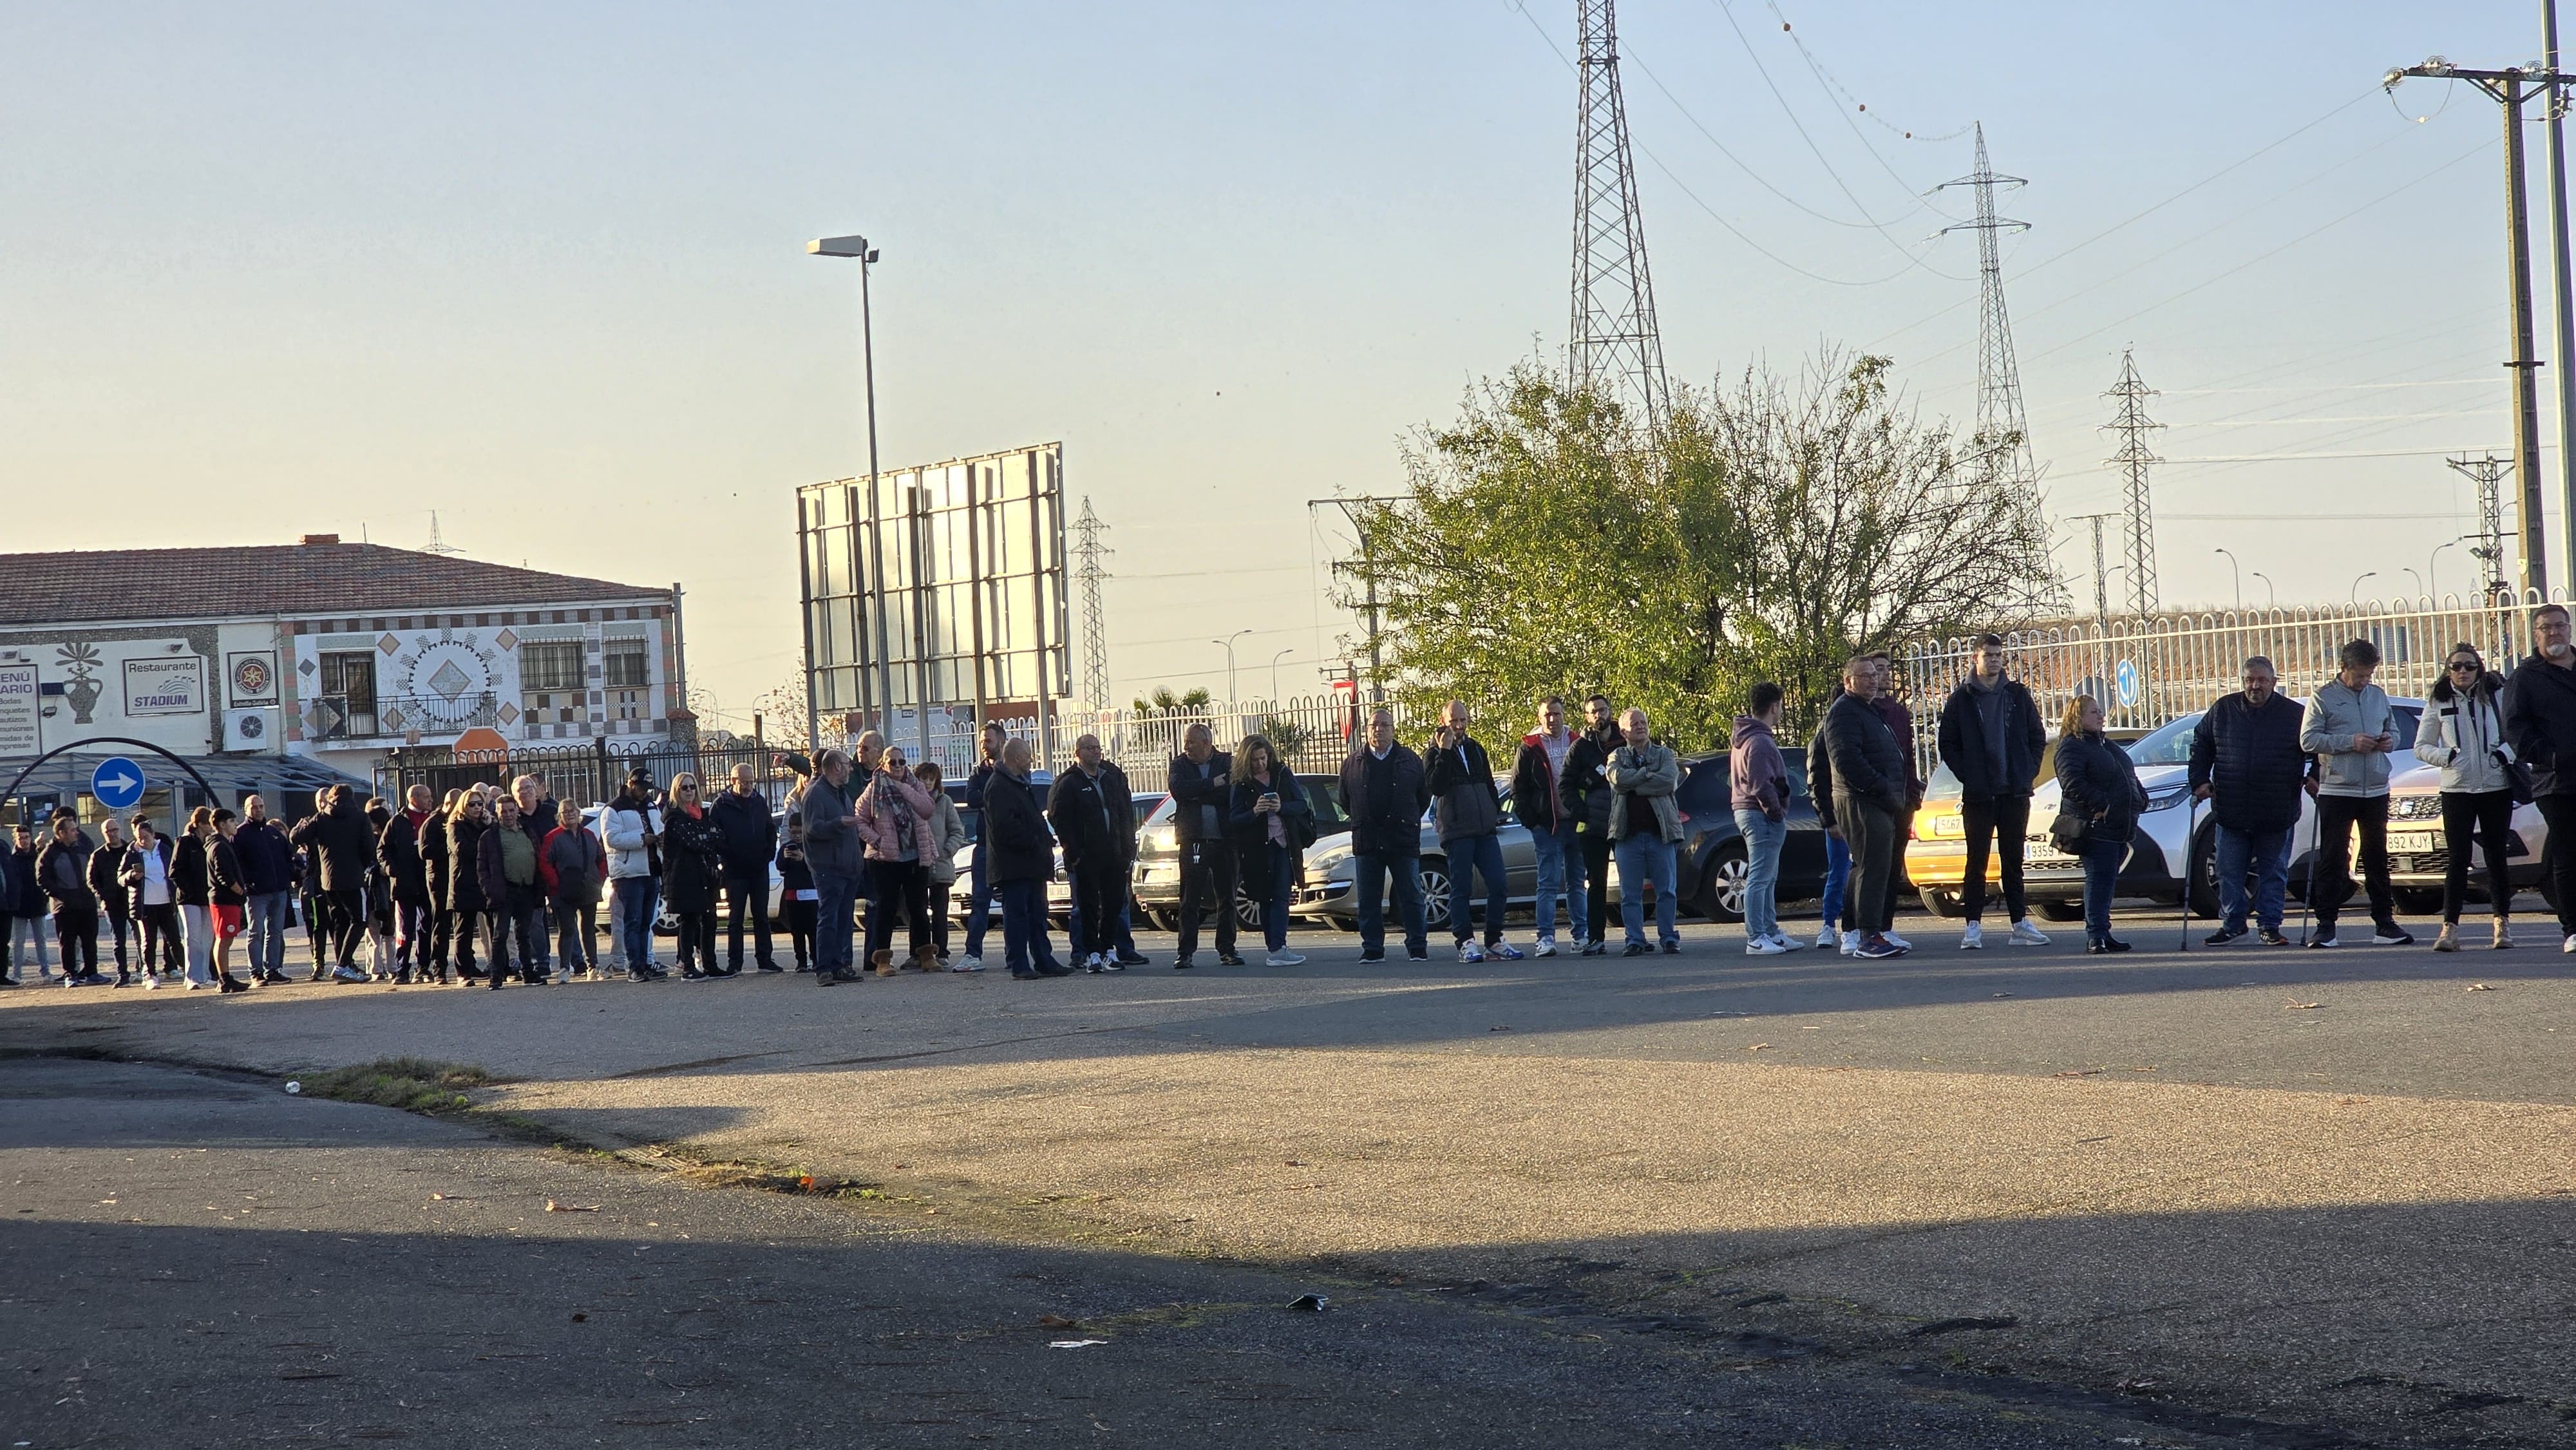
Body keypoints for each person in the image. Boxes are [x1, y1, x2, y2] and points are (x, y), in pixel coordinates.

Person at [1936, 634, 2050, 949]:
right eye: (1989, 655)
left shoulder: (2016, 695)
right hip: (1979, 795)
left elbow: (2036, 736)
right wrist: (1969, 775)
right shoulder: (1963, 699)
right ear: (1976, 658)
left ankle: (2019, 924)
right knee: (1977, 861)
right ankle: (1973, 926)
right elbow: (1947, 742)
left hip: (2014, 792)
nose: (1995, 660)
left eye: (1999, 655)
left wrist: (2027, 771)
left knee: (2013, 861)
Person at [2188, 656, 2308, 948]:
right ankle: (2233, 925)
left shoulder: (2294, 714)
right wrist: (2200, 780)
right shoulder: (2223, 710)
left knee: (2273, 872)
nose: (2255, 686)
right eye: (2249, 680)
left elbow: (2315, 749)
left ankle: (2269, 925)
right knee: (2228, 870)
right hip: (2232, 807)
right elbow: (2201, 744)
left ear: (2274, 682)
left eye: (2262, 680)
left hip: (2277, 808)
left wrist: (2314, 776)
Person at [2300, 637, 2412, 948]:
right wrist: (2350, 742)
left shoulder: (2377, 696)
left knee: (2377, 856)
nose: (2365, 681)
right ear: (2343, 668)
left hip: (2376, 787)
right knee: (2334, 857)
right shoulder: (2323, 697)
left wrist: (2389, 739)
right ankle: (2326, 925)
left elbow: (2394, 728)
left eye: (2369, 675)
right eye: (2359, 675)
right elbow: (2309, 740)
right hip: (2338, 789)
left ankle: (2385, 923)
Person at [2414, 644, 2518, 952]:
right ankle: (2450, 928)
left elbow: (2516, 733)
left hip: (2495, 786)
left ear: (2479, 668)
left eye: (2469, 666)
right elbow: (2422, 745)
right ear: (2448, 670)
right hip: (2457, 788)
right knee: (2457, 858)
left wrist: (2503, 755)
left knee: (2496, 855)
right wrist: (2447, 757)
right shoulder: (2439, 699)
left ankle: (2502, 923)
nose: (2463, 672)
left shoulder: (2496, 695)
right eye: (2456, 666)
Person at [1815, 657, 1910, 960]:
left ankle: (1874, 932)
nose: (1873, 680)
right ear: (1848, 681)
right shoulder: (1843, 712)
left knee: (1878, 867)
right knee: (1871, 867)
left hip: (1878, 801)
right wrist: (1882, 786)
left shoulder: (1867, 711)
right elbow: (1847, 761)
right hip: (1861, 801)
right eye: (1864, 676)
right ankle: (1868, 936)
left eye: (1874, 675)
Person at [2503, 602, 2576, 953]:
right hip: (2557, 782)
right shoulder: (2526, 677)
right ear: (2536, 634)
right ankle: (2572, 929)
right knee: (2567, 854)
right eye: (2546, 628)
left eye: (2559, 626)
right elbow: (2515, 730)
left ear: (2569, 628)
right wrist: (2549, 755)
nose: (2554, 633)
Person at [1425, 701, 1520, 963]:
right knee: (1461, 888)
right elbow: (1437, 787)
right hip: (1457, 831)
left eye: (1463, 720)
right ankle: (1465, 942)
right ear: (1443, 720)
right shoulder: (1433, 753)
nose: (1458, 726)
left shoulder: (1476, 749)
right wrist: (1444, 752)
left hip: (1484, 829)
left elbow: (1490, 785)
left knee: (1499, 884)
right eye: (1453, 721)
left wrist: (1493, 812)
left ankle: (1494, 940)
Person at [2056, 694, 2148, 954]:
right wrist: (2101, 805)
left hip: (2119, 824)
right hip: (2096, 826)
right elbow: (2072, 783)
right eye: (2094, 712)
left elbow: (2126, 773)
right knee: (2098, 878)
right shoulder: (2072, 746)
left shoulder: (2105, 745)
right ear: (2078, 717)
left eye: (2100, 711)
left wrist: (2140, 796)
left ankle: (2103, 932)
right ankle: (2095, 934)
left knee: (2107, 879)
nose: (2101, 716)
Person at [1340, 708, 1430, 964]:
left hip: (1402, 838)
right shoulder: (1352, 763)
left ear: (1393, 730)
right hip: (1367, 839)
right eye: (1373, 725)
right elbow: (1346, 800)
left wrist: (1406, 819)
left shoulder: (1410, 761)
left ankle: (1417, 946)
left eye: (1384, 725)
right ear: (1366, 730)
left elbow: (1422, 799)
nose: (1378, 729)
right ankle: (1372, 948)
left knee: (1411, 894)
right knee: (1368, 898)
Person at [1048, 734, 1135, 974]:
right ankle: (1091, 953)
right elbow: (1059, 817)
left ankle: (1109, 950)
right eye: (1089, 748)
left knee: (1114, 903)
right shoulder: (1069, 782)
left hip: (1114, 855)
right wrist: (1074, 852)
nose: (1096, 752)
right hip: (1087, 857)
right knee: (1087, 906)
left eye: (1098, 748)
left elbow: (1126, 812)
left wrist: (1128, 849)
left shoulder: (1112, 777)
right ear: (1078, 753)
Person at [987, 738, 1070, 979]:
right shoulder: (999, 786)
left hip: (1032, 864)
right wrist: (1034, 842)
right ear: (1015, 758)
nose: (1031, 760)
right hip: (1015, 866)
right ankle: (1019, 963)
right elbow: (1005, 828)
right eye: (1028, 756)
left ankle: (1044, 959)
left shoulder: (1020, 784)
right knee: (1017, 916)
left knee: (1038, 914)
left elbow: (1032, 818)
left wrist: (1045, 839)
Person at [1228, 731, 1314, 967]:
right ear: (1247, 760)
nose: (1260, 764)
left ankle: (1279, 947)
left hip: (1283, 846)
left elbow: (1301, 805)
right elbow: (1234, 819)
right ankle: (1275, 948)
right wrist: (1255, 811)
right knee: (1264, 898)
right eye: (1255, 760)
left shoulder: (1282, 774)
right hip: (1257, 849)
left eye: (1263, 758)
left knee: (1281, 896)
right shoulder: (1241, 784)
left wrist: (1281, 806)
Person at [1604, 708, 1684, 956]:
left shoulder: (1664, 754)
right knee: (1630, 894)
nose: (1641, 727)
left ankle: (1669, 938)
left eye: (1644, 722)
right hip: (1628, 836)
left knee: (1667, 890)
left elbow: (1668, 781)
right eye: (1634, 724)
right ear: (1624, 731)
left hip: (1661, 834)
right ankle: (1635, 940)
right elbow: (1617, 779)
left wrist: (1635, 785)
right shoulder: (1616, 756)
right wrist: (1648, 775)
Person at [1730, 682, 1803, 956]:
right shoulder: (1760, 741)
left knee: (1767, 876)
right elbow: (1761, 784)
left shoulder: (1746, 737)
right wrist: (1776, 811)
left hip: (1748, 810)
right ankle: (1757, 935)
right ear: (1774, 706)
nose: (1782, 711)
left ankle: (1770, 931)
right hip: (1759, 813)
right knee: (1760, 877)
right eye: (1781, 706)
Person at [1511, 695, 1586, 957]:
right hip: (1548, 826)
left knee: (1577, 882)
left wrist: (1585, 814)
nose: (1552, 719)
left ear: (1564, 715)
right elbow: (1518, 788)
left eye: (1556, 714)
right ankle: (1545, 937)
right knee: (1548, 883)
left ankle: (1581, 936)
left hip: (1576, 824)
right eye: (1547, 715)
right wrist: (1532, 822)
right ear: (1539, 717)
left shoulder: (1577, 742)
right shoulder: (1529, 747)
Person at [857, 747, 938, 975]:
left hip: (915, 855)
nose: (899, 766)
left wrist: (902, 787)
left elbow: (927, 809)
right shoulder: (873, 790)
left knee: (919, 908)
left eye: (902, 761)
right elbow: (860, 820)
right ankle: (882, 959)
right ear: (883, 764)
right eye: (893, 762)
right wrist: (877, 841)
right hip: (885, 859)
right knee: (886, 909)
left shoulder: (915, 785)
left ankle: (925, 955)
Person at [1168, 723, 1242, 969]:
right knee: (1190, 898)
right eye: (1186, 741)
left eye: (1192, 742)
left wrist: (1199, 794)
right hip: (1193, 841)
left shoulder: (1226, 762)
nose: (1186, 746)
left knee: (1227, 897)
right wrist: (1212, 784)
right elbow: (1179, 790)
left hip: (1224, 840)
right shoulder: (1180, 765)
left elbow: (1231, 792)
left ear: (1207, 743)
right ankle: (1185, 952)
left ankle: (1227, 949)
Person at [1866, 652, 1924, 952]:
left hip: (1902, 799)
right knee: (1871, 867)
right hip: (1876, 800)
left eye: (1888, 669)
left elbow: (1908, 756)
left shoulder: (1899, 712)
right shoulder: (1863, 711)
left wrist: (1912, 794)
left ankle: (1886, 926)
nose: (1885, 675)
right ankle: (1864, 929)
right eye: (1879, 670)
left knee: (1892, 868)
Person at [1558, 695, 1622, 958]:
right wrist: (1581, 812)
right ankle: (1596, 938)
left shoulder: (1625, 739)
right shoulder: (1580, 748)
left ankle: (1636, 937)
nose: (1599, 715)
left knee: (1631, 884)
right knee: (1597, 884)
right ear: (1586, 717)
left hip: (1624, 822)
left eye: (1602, 710)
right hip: (1593, 827)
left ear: (1610, 711)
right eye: (1593, 712)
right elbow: (1565, 786)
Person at [795, 749, 866, 986]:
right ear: (836, 767)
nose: (851, 768)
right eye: (847, 764)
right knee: (829, 918)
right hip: (829, 868)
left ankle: (840, 966)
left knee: (845, 919)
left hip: (848, 867)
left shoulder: (841, 793)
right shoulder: (816, 793)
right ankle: (824, 968)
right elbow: (812, 830)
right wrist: (838, 823)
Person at [291, 785, 374, 983]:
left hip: (328, 880)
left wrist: (304, 825)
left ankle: (343, 964)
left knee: (340, 921)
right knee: (359, 920)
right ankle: (343, 964)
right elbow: (369, 849)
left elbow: (296, 837)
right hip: (353, 877)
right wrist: (361, 866)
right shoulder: (360, 817)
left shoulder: (321, 817)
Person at [712, 763, 781, 973]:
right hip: (735, 870)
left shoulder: (759, 802)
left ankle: (765, 959)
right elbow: (716, 837)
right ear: (734, 781)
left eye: (752, 782)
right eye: (745, 782)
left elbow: (770, 829)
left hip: (759, 868)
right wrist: (731, 857)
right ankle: (735, 962)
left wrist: (768, 854)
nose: (749, 786)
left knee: (761, 916)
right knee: (736, 918)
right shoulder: (721, 805)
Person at [659, 773, 726, 979]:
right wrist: (706, 838)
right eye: (684, 788)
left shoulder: (702, 815)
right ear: (676, 791)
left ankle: (710, 963)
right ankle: (687, 966)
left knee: (710, 919)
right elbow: (693, 842)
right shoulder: (674, 818)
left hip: (706, 876)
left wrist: (705, 838)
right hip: (685, 877)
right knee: (690, 921)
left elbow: (719, 836)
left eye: (692, 787)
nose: (689, 791)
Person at [602, 770, 666, 981]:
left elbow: (659, 827)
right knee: (633, 920)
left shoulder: (651, 806)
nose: (644, 793)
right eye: (640, 788)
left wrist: (661, 839)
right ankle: (635, 966)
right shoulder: (613, 809)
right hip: (629, 873)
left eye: (647, 789)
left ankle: (645, 962)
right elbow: (612, 839)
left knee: (646, 921)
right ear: (630, 784)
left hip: (652, 869)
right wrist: (641, 839)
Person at [477, 796, 546, 989]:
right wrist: (489, 890)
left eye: (510, 810)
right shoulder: (490, 836)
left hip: (527, 889)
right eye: (503, 811)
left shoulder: (528, 831)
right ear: (496, 814)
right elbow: (482, 867)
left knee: (524, 934)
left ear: (517, 810)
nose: (507, 815)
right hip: (504, 890)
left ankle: (528, 974)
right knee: (500, 934)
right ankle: (496, 976)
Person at [959, 722, 1009, 972]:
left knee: (1011, 902)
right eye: (981, 741)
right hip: (984, 846)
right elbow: (972, 798)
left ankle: (1015, 954)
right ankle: (972, 955)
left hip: (1007, 846)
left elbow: (1009, 800)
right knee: (980, 902)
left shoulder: (1012, 769)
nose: (984, 745)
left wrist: (989, 796)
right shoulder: (977, 772)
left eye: (988, 740)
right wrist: (993, 796)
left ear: (1001, 741)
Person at [375, 785, 435, 983]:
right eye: (426, 797)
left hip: (427, 883)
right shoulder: (398, 822)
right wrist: (393, 870)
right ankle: (402, 969)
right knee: (405, 929)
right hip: (405, 883)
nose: (430, 800)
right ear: (414, 798)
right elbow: (382, 850)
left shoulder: (432, 819)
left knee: (426, 926)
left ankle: (423, 967)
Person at [36, 815, 105, 986]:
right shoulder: (49, 854)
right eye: (73, 830)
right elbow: (43, 879)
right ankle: (70, 974)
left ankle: (92, 972)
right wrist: (62, 897)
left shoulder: (82, 849)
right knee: (67, 942)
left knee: (90, 939)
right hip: (64, 907)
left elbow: (94, 872)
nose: (76, 833)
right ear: (61, 833)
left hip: (87, 903)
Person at [540, 797, 605, 977]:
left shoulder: (589, 836)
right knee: (567, 930)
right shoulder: (552, 837)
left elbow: (601, 858)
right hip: (562, 891)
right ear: (559, 815)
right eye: (565, 811)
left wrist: (599, 879)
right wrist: (555, 883)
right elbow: (545, 863)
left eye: (572, 811)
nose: (569, 814)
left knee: (589, 929)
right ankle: (564, 968)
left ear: (579, 813)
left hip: (588, 889)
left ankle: (593, 965)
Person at [919, 762, 974, 969]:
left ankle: (942, 951)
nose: (927, 783)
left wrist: (946, 850)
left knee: (940, 913)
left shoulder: (944, 802)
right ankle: (920, 953)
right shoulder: (912, 801)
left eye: (930, 779)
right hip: (918, 865)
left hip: (941, 866)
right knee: (919, 912)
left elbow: (957, 831)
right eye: (923, 778)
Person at [235, 795, 296, 984]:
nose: (259, 810)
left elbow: (288, 857)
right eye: (254, 807)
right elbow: (238, 863)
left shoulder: (273, 832)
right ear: (246, 810)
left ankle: (273, 969)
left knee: (276, 931)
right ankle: (256, 972)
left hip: (279, 890)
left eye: (261, 806)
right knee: (256, 932)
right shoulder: (240, 834)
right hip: (256, 893)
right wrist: (248, 883)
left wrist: (288, 878)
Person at [122, 816, 183, 990]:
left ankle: (188, 971)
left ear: (153, 835)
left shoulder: (163, 850)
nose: (142, 841)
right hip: (145, 904)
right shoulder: (131, 854)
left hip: (165, 902)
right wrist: (131, 877)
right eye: (139, 838)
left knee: (174, 940)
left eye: (146, 837)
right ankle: (150, 975)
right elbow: (120, 878)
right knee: (148, 941)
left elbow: (173, 871)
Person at [441, 791, 491, 984]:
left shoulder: (486, 826)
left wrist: (490, 826)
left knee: (495, 927)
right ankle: (463, 972)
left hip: (484, 882)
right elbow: (461, 849)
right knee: (464, 931)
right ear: (464, 806)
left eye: (480, 804)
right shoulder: (455, 825)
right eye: (472, 804)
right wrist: (483, 845)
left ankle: (498, 967)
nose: (477, 808)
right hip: (464, 883)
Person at [207, 809, 252, 991]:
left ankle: (225, 977)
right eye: (232, 821)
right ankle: (224, 979)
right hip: (224, 900)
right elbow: (223, 875)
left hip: (227, 900)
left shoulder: (222, 844)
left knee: (227, 938)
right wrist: (240, 891)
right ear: (222, 824)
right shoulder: (219, 846)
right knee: (224, 939)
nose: (235, 824)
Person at [173, 807, 218, 989]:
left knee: (207, 938)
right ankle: (192, 976)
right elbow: (175, 871)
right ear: (200, 824)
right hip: (189, 899)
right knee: (193, 937)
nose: (211, 827)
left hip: (207, 897)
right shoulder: (184, 842)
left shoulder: (209, 843)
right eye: (208, 823)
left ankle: (205, 973)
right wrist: (189, 889)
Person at [87, 816, 132, 979]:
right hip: (112, 904)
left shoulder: (130, 850)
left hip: (132, 901)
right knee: (119, 941)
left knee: (142, 939)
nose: (112, 834)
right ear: (103, 834)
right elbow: (91, 880)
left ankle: (145, 971)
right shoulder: (98, 855)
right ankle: (123, 973)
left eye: (115, 830)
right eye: (108, 831)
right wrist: (103, 895)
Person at [6, 824, 50, 981]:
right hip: (19, 907)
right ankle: (16, 974)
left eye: (26, 837)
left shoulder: (38, 854)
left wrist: (41, 847)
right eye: (21, 838)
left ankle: (45, 972)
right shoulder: (11, 859)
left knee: (41, 941)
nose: (24, 841)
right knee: (18, 943)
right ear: (15, 840)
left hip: (38, 903)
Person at [777, 813, 817, 972]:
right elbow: (780, 866)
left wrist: (804, 859)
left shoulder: (812, 847)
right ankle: (801, 961)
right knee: (797, 931)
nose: (797, 836)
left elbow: (816, 866)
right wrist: (786, 858)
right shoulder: (786, 847)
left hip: (811, 894)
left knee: (813, 930)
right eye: (794, 833)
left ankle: (816, 959)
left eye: (800, 833)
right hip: (792, 895)